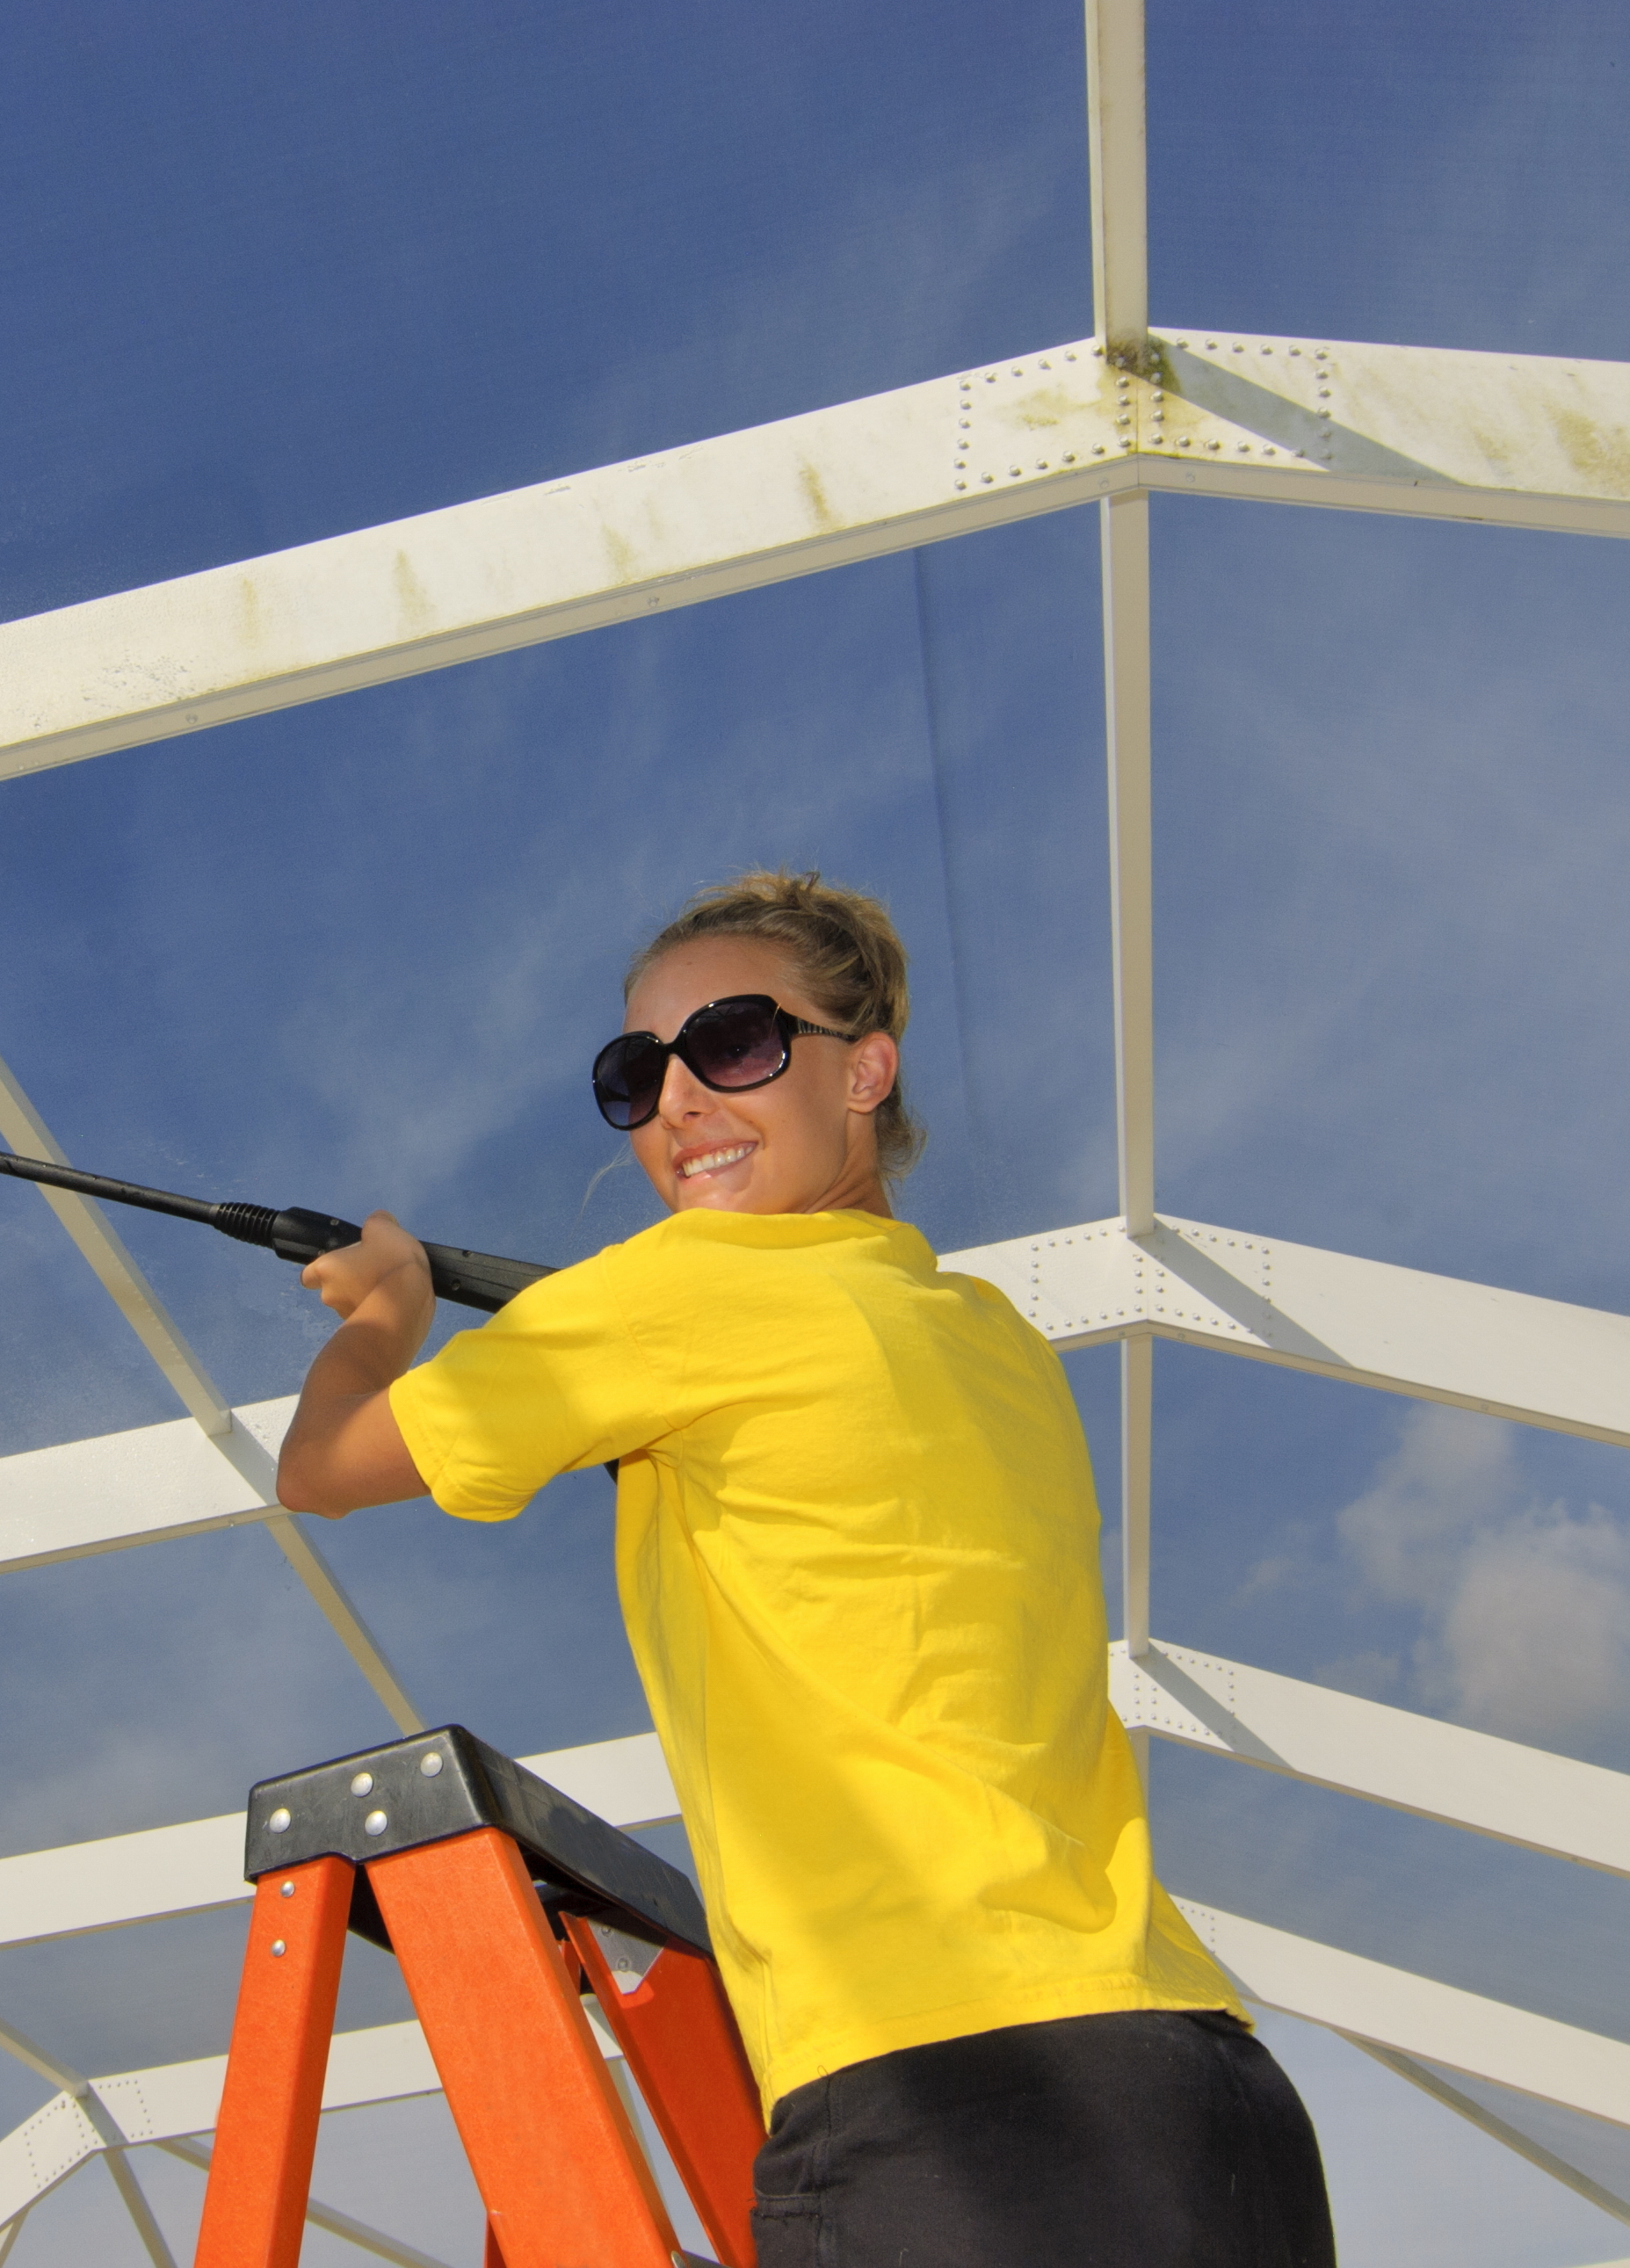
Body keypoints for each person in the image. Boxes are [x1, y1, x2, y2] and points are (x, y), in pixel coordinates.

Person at [275, 870, 1334, 2267]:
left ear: (865, 1068)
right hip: (1201, 2088)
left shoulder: (681, 1291)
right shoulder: (986, 1336)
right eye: (636, 1073)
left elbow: (325, 1469)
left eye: (734, 1044)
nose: (679, 1101)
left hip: (954, 2093)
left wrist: (386, 1312)